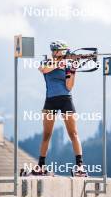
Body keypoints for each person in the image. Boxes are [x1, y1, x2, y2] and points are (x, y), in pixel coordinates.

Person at [34, 40, 87, 176]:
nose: (53, 53)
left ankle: (80, 166)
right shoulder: (47, 62)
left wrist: (73, 70)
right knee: (46, 134)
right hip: (50, 100)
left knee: (73, 133)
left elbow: (69, 86)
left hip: (65, 100)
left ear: (62, 51)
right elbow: (43, 69)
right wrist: (60, 63)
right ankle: (41, 165)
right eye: (52, 50)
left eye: (55, 50)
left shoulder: (67, 65)